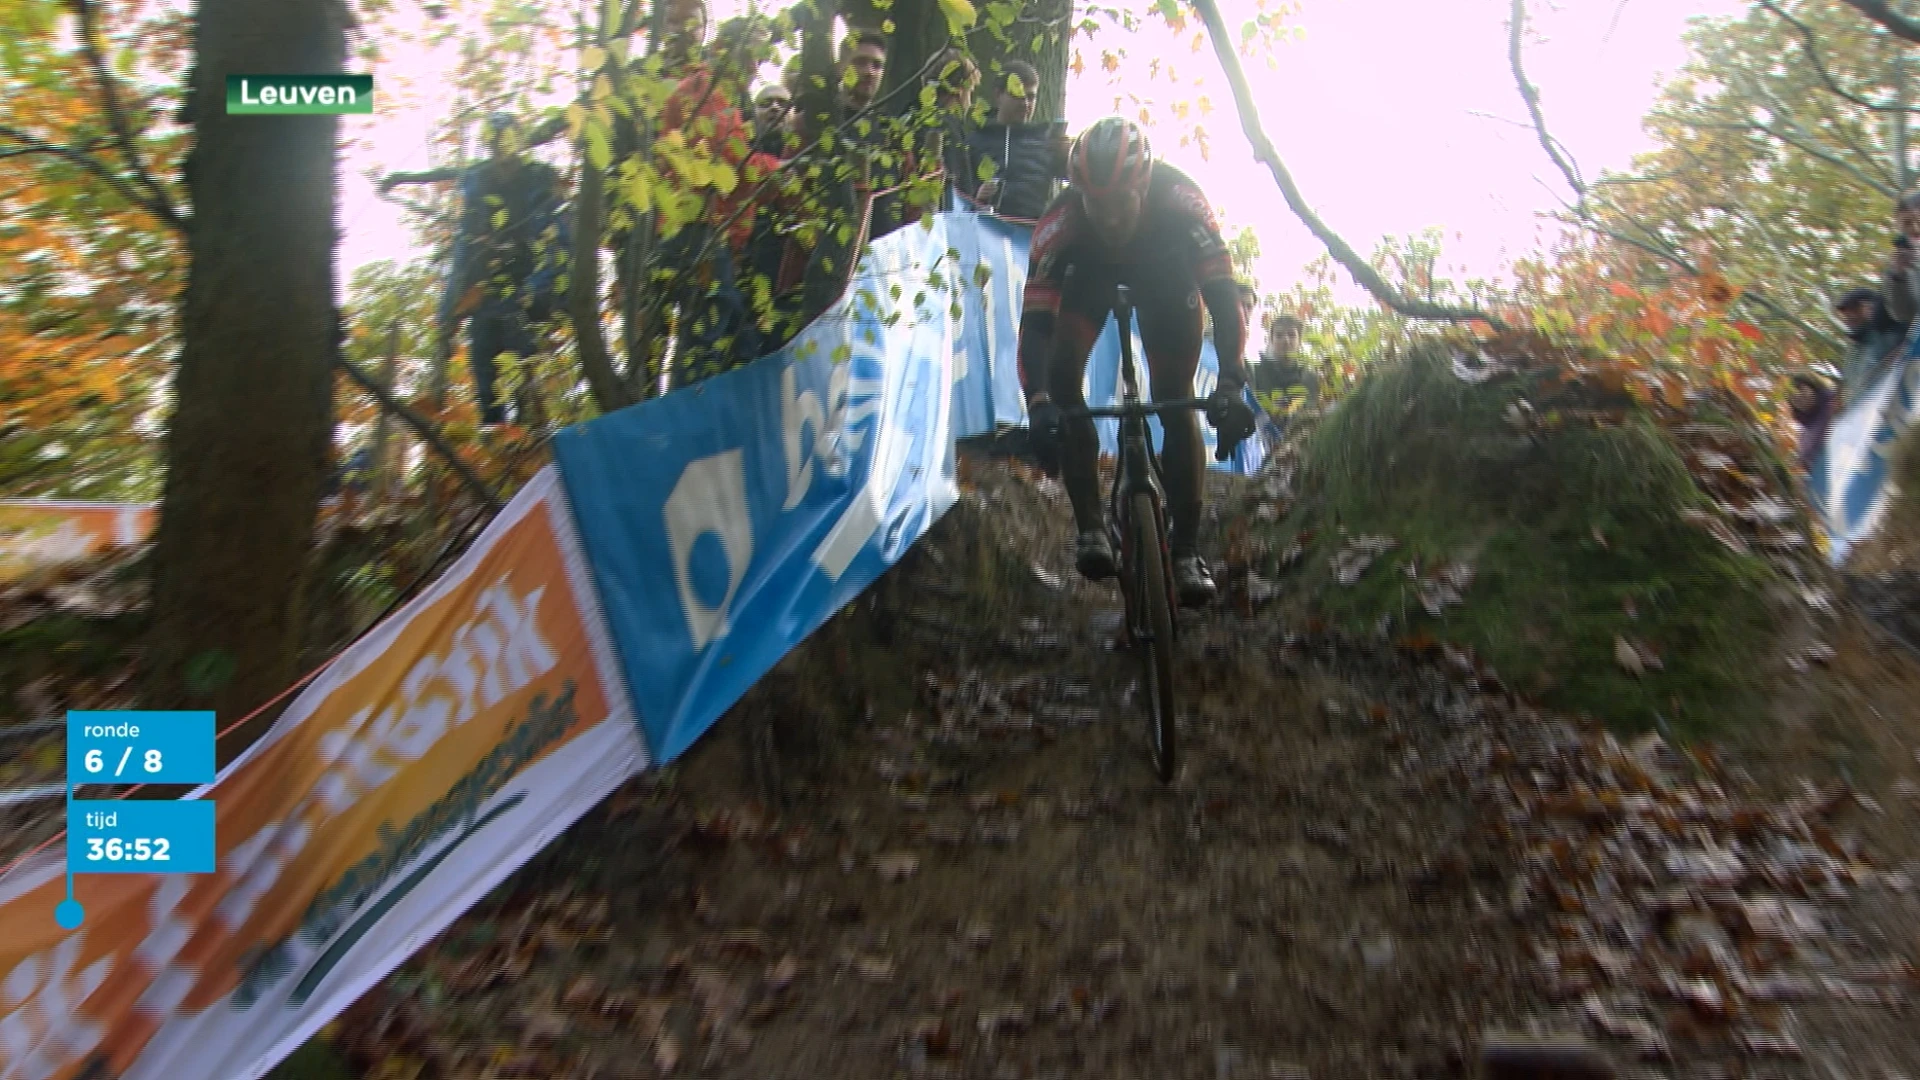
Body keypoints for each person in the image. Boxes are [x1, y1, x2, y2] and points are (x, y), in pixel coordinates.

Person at [1019, 117, 1257, 606]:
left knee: (1175, 399)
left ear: (1144, 187)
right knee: (1064, 386)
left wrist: (1232, 381)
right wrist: (1039, 403)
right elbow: (1037, 327)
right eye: (1095, 205)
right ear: (1077, 194)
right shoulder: (1059, 224)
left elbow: (1223, 297)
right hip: (1088, 278)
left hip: (1165, 278)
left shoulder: (1182, 203)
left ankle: (1186, 550)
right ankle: (1090, 528)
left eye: (1120, 203)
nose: (1108, 219)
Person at [381, 113, 568, 426]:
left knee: (525, 370)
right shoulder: (478, 177)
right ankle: (493, 437)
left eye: (505, 144)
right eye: (493, 146)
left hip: (525, 285)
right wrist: (403, 177)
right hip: (484, 290)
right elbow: (444, 175)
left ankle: (530, 437)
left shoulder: (537, 177)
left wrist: (546, 291)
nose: (500, 156)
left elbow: (558, 237)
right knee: (485, 371)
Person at [964, 60, 1069, 221]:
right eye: (1018, 95)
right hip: (985, 232)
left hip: (1030, 236)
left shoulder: (1047, 142)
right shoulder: (975, 141)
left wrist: (1068, 157)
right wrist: (978, 197)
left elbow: (1081, 185)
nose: (1025, 103)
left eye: (1031, 97)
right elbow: (957, 201)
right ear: (998, 95)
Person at [1832, 286, 1907, 407]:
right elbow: (1852, 388)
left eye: (1854, 309)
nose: (1848, 318)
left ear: (1870, 307)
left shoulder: (1890, 332)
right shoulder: (1853, 350)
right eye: (1845, 314)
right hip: (1869, 413)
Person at [1249, 312, 1321, 417]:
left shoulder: (1309, 377)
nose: (1286, 340)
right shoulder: (1255, 372)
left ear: (1299, 341)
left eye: (1291, 335)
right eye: (1279, 335)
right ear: (1271, 341)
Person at [1788, 372, 1836, 473]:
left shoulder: (1831, 404)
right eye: (1794, 393)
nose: (1798, 395)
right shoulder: (1806, 430)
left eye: (1800, 388)